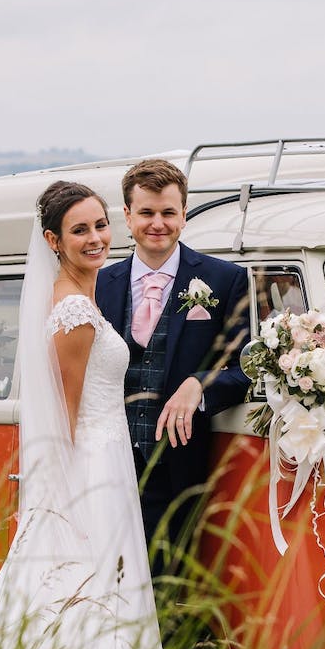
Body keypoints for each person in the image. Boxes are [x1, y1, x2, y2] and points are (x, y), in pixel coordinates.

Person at [0, 180, 177, 649]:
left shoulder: (82, 299)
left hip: (107, 461)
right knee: (89, 587)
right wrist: (67, 500)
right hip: (89, 470)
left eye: (101, 224)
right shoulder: (73, 311)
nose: (96, 237)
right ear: (54, 241)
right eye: (80, 230)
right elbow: (64, 414)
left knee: (100, 588)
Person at [95, 158, 251, 583]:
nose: (157, 223)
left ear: (184, 213)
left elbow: (245, 370)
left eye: (168, 212)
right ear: (127, 216)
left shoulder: (224, 280)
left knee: (165, 585)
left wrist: (199, 384)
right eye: (146, 212)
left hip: (179, 466)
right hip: (107, 460)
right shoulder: (99, 284)